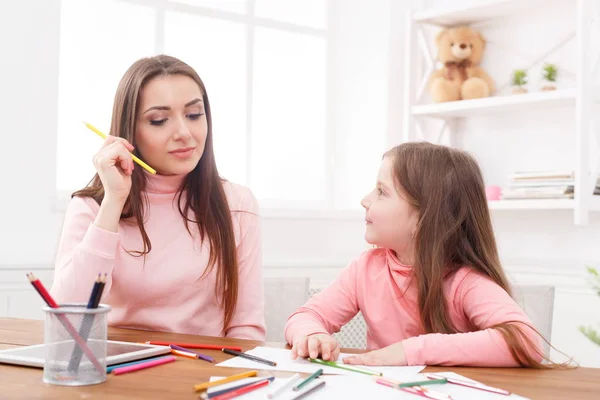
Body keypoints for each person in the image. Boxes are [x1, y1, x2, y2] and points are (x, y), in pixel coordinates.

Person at [51, 55, 265, 340]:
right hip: (117, 371)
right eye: (159, 120)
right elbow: (68, 317)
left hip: (204, 374)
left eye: (194, 115)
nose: (184, 133)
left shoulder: (237, 203)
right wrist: (114, 201)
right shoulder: (91, 207)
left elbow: (245, 327)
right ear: (130, 132)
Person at [285, 142, 547, 367]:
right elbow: (305, 317)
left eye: (382, 191)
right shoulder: (365, 269)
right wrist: (311, 335)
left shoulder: (464, 282)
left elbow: (525, 341)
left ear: (425, 218)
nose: (365, 200)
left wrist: (411, 351)